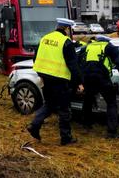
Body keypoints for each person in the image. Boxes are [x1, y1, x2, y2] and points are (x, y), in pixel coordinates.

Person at [26, 18, 85, 146]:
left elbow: (36, 58)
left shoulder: (45, 38)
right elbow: (73, 65)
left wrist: (41, 75)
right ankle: (66, 138)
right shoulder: (66, 42)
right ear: (67, 29)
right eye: (71, 30)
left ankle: (34, 125)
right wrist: (80, 82)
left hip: (45, 79)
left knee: (49, 104)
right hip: (60, 80)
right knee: (64, 109)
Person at [80, 35, 119, 139]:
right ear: (107, 41)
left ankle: (86, 125)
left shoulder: (87, 47)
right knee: (111, 103)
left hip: (87, 78)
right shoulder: (110, 47)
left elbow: (78, 62)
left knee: (88, 101)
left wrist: (79, 81)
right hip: (102, 79)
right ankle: (112, 132)